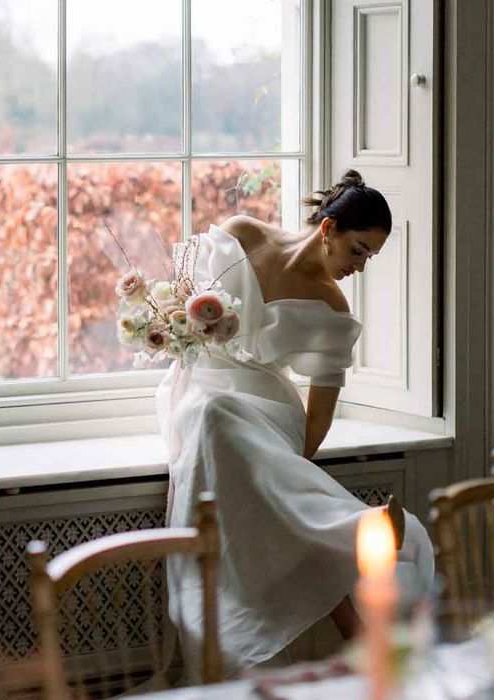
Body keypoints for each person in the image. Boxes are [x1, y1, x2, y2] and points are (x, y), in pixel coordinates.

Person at [154, 169, 435, 685]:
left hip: (267, 408)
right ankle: (355, 553)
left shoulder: (332, 305)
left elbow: (321, 407)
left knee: (230, 430)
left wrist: (288, 471)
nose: (360, 266)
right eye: (357, 250)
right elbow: (179, 302)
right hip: (202, 389)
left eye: (370, 257)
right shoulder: (241, 234)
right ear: (326, 229)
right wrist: (173, 327)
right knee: (213, 415)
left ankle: (329, 526)